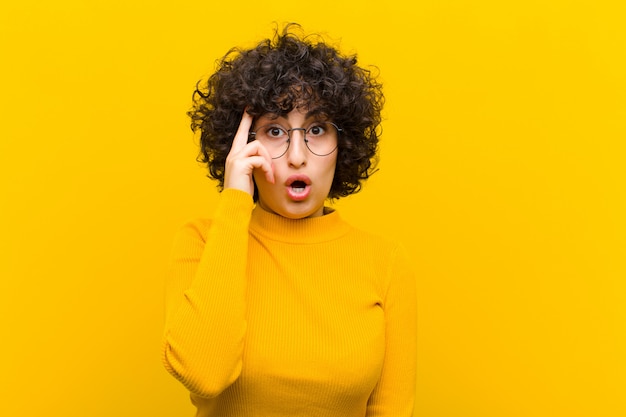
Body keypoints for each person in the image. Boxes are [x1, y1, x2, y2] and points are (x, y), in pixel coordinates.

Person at [162, 24, 417, 417]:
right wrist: (235, 200)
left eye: (316, 129)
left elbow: (391, 409)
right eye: (275, 131)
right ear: (243, 144)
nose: (297, 155)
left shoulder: (384, 261)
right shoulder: (201, 242)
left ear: (342, 143)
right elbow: (203, 375)